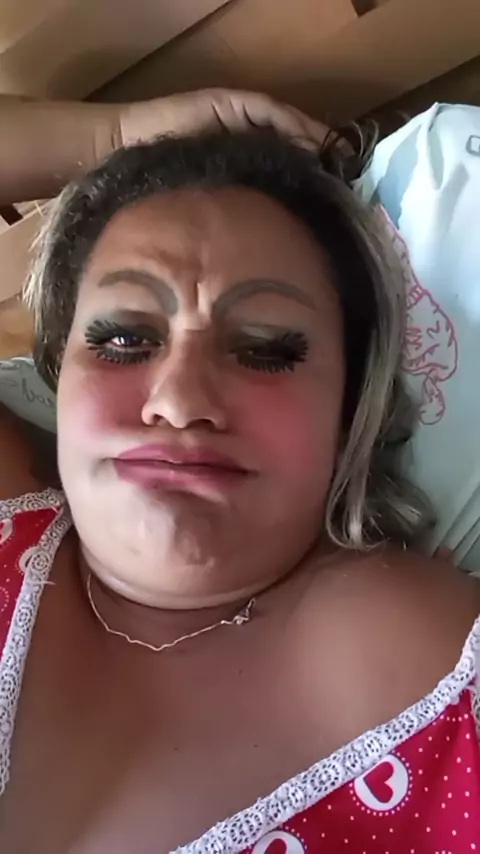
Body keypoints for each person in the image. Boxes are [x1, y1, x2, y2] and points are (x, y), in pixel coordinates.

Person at [0, 91, 478, 854]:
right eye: (123, 339)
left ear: (350, 404)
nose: (181, 401)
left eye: (265, 349)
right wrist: (113, 129)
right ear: (61, 376)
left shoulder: (440, 675)